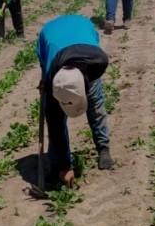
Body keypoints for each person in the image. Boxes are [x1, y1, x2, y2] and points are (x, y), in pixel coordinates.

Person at [37, 14, 114, 188]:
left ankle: (103, 149)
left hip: (83, 34)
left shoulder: (98, 62)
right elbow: (55, 124)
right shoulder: (52, 84)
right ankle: (57, 161)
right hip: (50, 37)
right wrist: (66, 166)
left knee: (96, 105)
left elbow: (94, 99)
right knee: (54, 118)